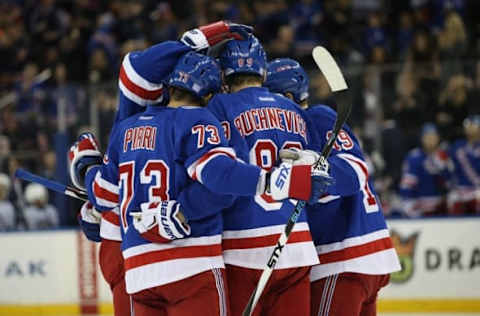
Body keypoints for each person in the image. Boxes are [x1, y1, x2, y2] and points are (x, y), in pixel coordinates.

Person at [69, 51, 324, 316]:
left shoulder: (126, 129)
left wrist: (87, 166)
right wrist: (270, 181)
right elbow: (219, 176)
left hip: (139, 274)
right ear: (209, 96)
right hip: (192, 265)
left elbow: (103, 194)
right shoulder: (196, 119)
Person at [73, 21, 260, 316]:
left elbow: (104, 191)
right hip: (187, 257)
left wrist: (87, 174)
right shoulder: (198, 119)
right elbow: (223, 183)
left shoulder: (129, 124)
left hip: (133, 256)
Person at [264, 57, 401, 316]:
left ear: (289, 96)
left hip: (343, 255)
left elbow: (356, 171)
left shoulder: (317, 117)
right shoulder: (294, 128)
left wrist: (320, 167)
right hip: (357, 256)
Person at [207, 36, 332, 316]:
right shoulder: (293, 109)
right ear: (263, 71)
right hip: (296, 242)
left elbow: (215, 172)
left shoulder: (219, 108)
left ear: (224, 73)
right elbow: (313, 170)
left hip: (243, 245)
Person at [399, 123, 450, 217]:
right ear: (422, 139)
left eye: (433, 137)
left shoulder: (443, 156)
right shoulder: (414, 157)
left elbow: (450, 182)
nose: (430, 140)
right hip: (419, 206)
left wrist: (443, 167)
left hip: (441, 206)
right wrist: (408, 204)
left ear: (438, 138)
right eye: (427, 137)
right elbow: (406, 185)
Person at [448, 115, 480, 214]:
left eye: (473, 125)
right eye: (468, 126)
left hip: (478, 190)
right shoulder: (457, 146)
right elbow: (449, 168)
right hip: (461, 190)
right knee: (453, 198)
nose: (470, 128)